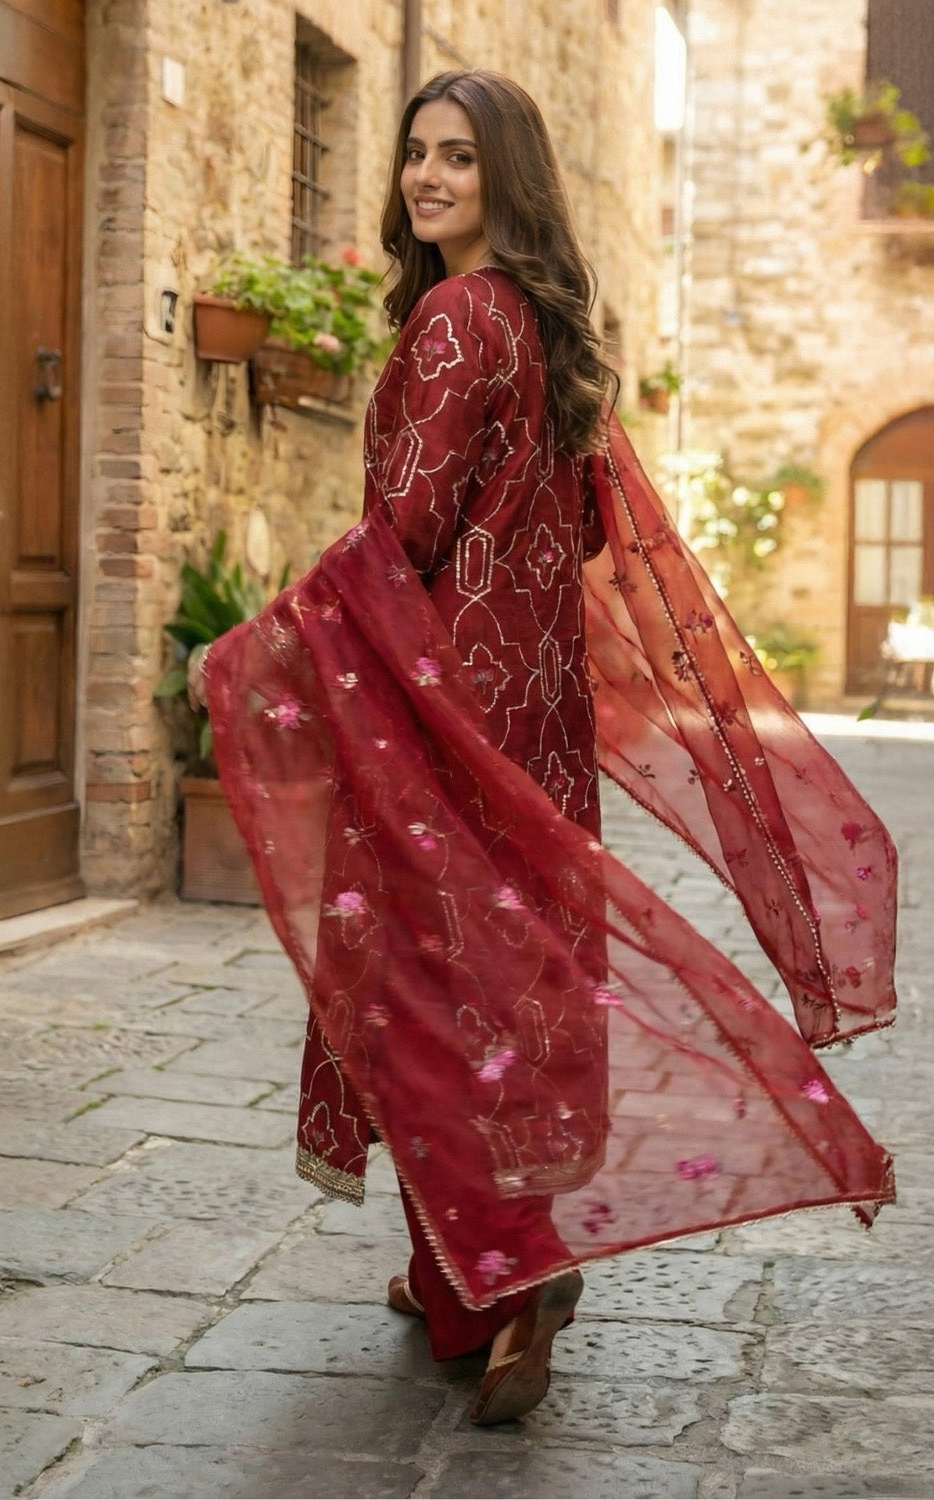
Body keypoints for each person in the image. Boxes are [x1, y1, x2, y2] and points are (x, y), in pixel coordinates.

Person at [199, 71, 897, 1426]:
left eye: (458, 157)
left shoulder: (457, 318)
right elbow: (574, 532)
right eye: (416, 153)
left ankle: (509, 1270)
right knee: (503, 983)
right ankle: (461, 1272)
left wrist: (264, 645)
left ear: (505, 177)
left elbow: (403, 531)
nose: (426, 176)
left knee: (420, 982)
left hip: (442, 712)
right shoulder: (537, 324)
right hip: (535, 714)